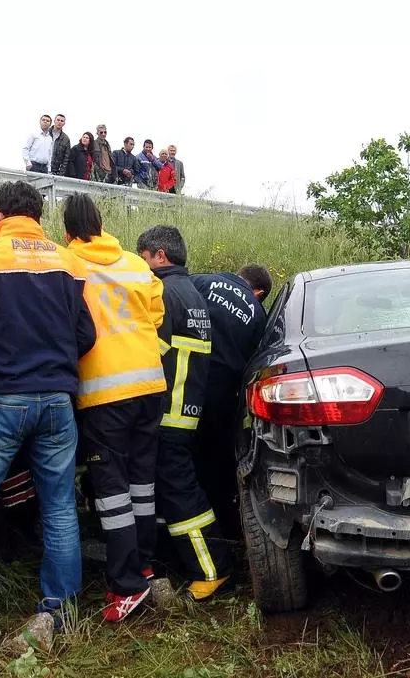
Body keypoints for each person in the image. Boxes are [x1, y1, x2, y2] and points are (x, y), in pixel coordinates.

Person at [0, 180, 96, 653]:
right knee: (59, 508)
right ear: (39, 214)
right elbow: (86, 335)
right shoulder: (69, 262)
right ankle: (62, 612)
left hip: (1, 398)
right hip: (57, 400)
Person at [64, 194, 167, 622]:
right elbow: (156, 314)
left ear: (68, 230)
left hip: (105, 391)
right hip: (149, 382)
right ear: (103, 223)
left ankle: (127, 585)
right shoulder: (135, 263)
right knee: (142, 484)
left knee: (112, 492)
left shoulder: (68, 263)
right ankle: (144, 563)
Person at [136, 225, 232, 601]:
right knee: (171, 490)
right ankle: (176, 561)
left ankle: (213, 569)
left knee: (179, 493)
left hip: (166, 410)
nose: (142, 267)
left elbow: (150, 351)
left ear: (160, 255)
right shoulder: (191, 291)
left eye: (143, 258)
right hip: (187, 408)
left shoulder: (162, 291)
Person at [189, 264, 272, 541]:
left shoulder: (200, 280)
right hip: (221, 397)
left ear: (239, 274)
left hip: (181, 384)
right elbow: (255, 361)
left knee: (177, 458)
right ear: (258, 292)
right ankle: (220, 530)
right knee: (215, 462)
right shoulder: (257, 313)